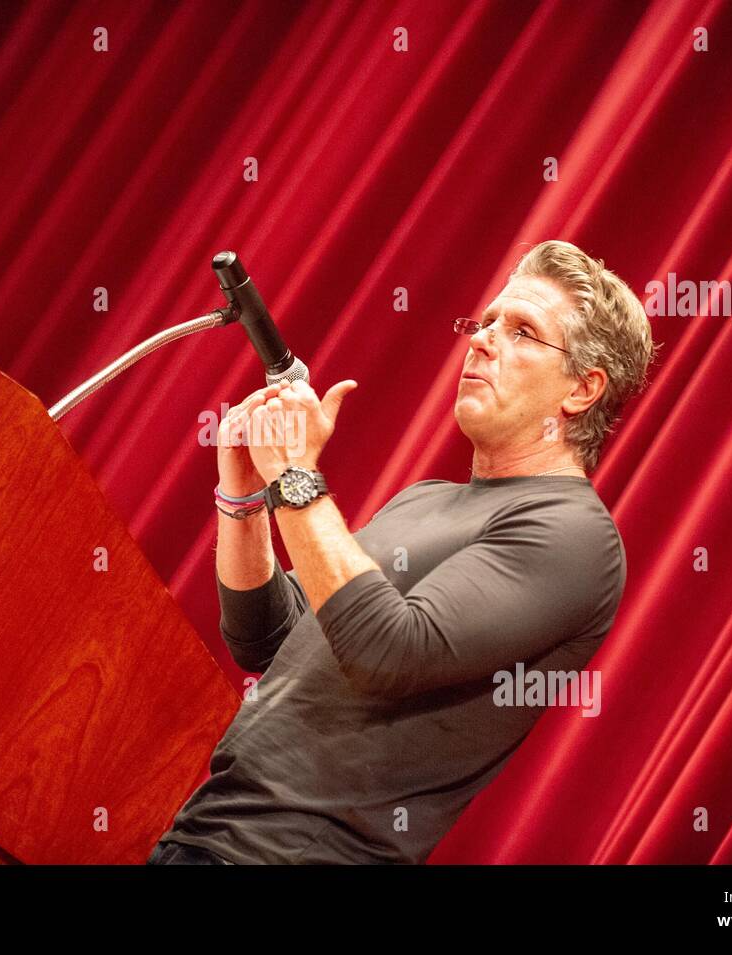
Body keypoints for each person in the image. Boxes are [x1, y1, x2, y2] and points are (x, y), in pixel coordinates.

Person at [148, 240, 656, 864]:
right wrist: (245, 496)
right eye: (487, 321)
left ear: (582, 389)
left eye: (523, 331)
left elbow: (388, 650)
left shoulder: (573, 535)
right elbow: (271, 640)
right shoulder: (425, 498)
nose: (482, 339)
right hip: (204, 833)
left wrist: (296, 475)